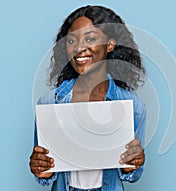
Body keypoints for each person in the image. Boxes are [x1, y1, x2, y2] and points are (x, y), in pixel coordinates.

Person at [29, 5, 146, 191]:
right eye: (71, 41)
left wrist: (134, 162)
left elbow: (132, 174)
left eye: (90, 39)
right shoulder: (49, 102)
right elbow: (44, 173)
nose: (79, 48)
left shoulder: (132, 106)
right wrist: (40, 167)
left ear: (110, 45)